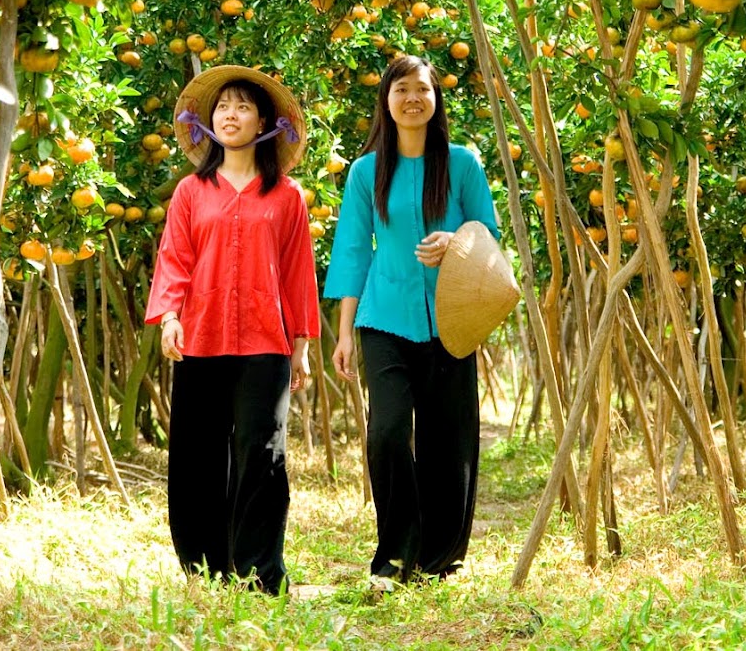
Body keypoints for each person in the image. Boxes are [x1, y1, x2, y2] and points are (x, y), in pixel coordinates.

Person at [325, 54, 500, 585]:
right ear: (386, 100)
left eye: (421, 89)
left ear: (436, 98)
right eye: (401, 90)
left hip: (454, 316)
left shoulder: (463, 163)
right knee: (389, 431)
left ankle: (440, 558)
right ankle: (395, 553)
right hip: (385, 318)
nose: (412, 99)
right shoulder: (365, 171)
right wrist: (344, 333)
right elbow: (353, 250)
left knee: (451, 441)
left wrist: (456, 241)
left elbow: (488, 230)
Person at [146, 65, 319, 595]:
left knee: (262, 453)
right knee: (198, 452)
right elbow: (175, 258)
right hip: (201, 336)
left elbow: (296, 270)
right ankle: (206, 566)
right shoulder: (190, 192)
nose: (230, 114)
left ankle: (260, 573)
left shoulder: (286, 195)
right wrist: (170, 316)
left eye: (243, 106)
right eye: (222, 107)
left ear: (264, 122)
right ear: (208, 122)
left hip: (267, 341)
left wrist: (303, 346)